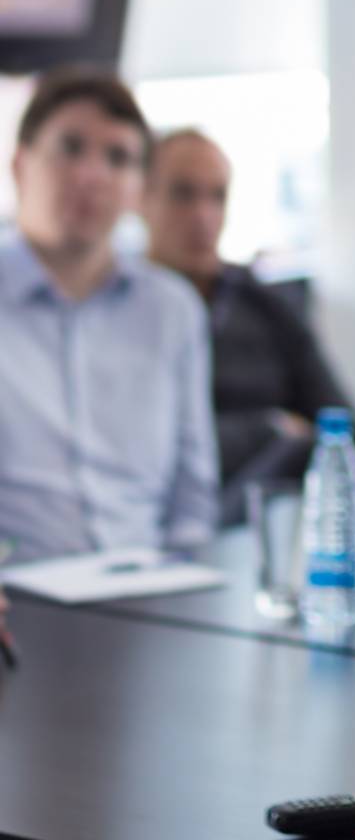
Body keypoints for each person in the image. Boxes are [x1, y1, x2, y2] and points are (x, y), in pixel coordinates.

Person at [0, 67, 217, 565]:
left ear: (139, 189)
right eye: (70, 148)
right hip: (18, 598)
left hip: (150, 594)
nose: (92, 175)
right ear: (19, 166)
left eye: (118, 158)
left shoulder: (172, 309)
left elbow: (193, 493)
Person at [142, 128, 355, 520]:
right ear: (142, 196)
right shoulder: (119, 315)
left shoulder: (266, 304)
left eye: (216, 196)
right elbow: (153, 451)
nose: (202, 215)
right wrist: (268, 429)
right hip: (189, 516)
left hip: (289, 509)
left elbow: (346, 435)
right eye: (183, 194)